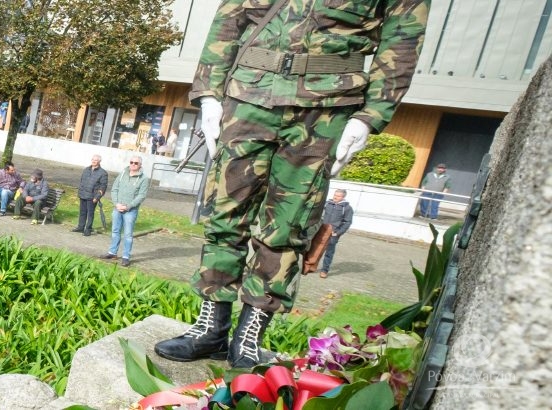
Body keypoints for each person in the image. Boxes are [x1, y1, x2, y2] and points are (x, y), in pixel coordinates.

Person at [153, 0, 427, 369]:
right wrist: (208, 93)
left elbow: (402, 40)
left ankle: (248, 338)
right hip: (247, 96)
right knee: (224, 214)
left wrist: (371, 115)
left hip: (326, 107)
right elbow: (230, 17)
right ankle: (210, 328)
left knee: (288, 226)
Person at [102, 157, 148, 267]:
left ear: (140, 165)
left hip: (130, 211)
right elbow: (114, 189)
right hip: (117, 208)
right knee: (115, 231)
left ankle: (126, 256)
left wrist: (128, 206)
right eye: (131, 162)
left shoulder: (144, 179)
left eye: (136, 163)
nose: (133, 164)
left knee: (128, 234)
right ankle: (112, 252)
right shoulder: (122, 173)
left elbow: (141, 196)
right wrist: (116, 203)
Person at [316, 189, 354, 278]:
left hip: (333, 234)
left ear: (343, 197)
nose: (335, 197)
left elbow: (347, 222)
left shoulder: (347, 208)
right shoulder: (327, 204)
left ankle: (324, 270)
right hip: (322, 231)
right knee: (315, 250)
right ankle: (310, 266)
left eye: (338, 196)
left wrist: (338, 232)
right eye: (335, 195)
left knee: (329, 253)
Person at [75, 155, 109, 236]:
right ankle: (80, 227)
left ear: (99, 161)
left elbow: (103, 186)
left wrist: (97, 197)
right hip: (83, 194)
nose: (94, 161)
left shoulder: (103, 173)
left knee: (90, 213)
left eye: (96, 160)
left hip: (92, 197)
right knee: (82, 212)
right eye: (93, 159)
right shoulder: (86, 169)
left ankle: (88, 229)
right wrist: (80, 192)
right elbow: (82, 181)